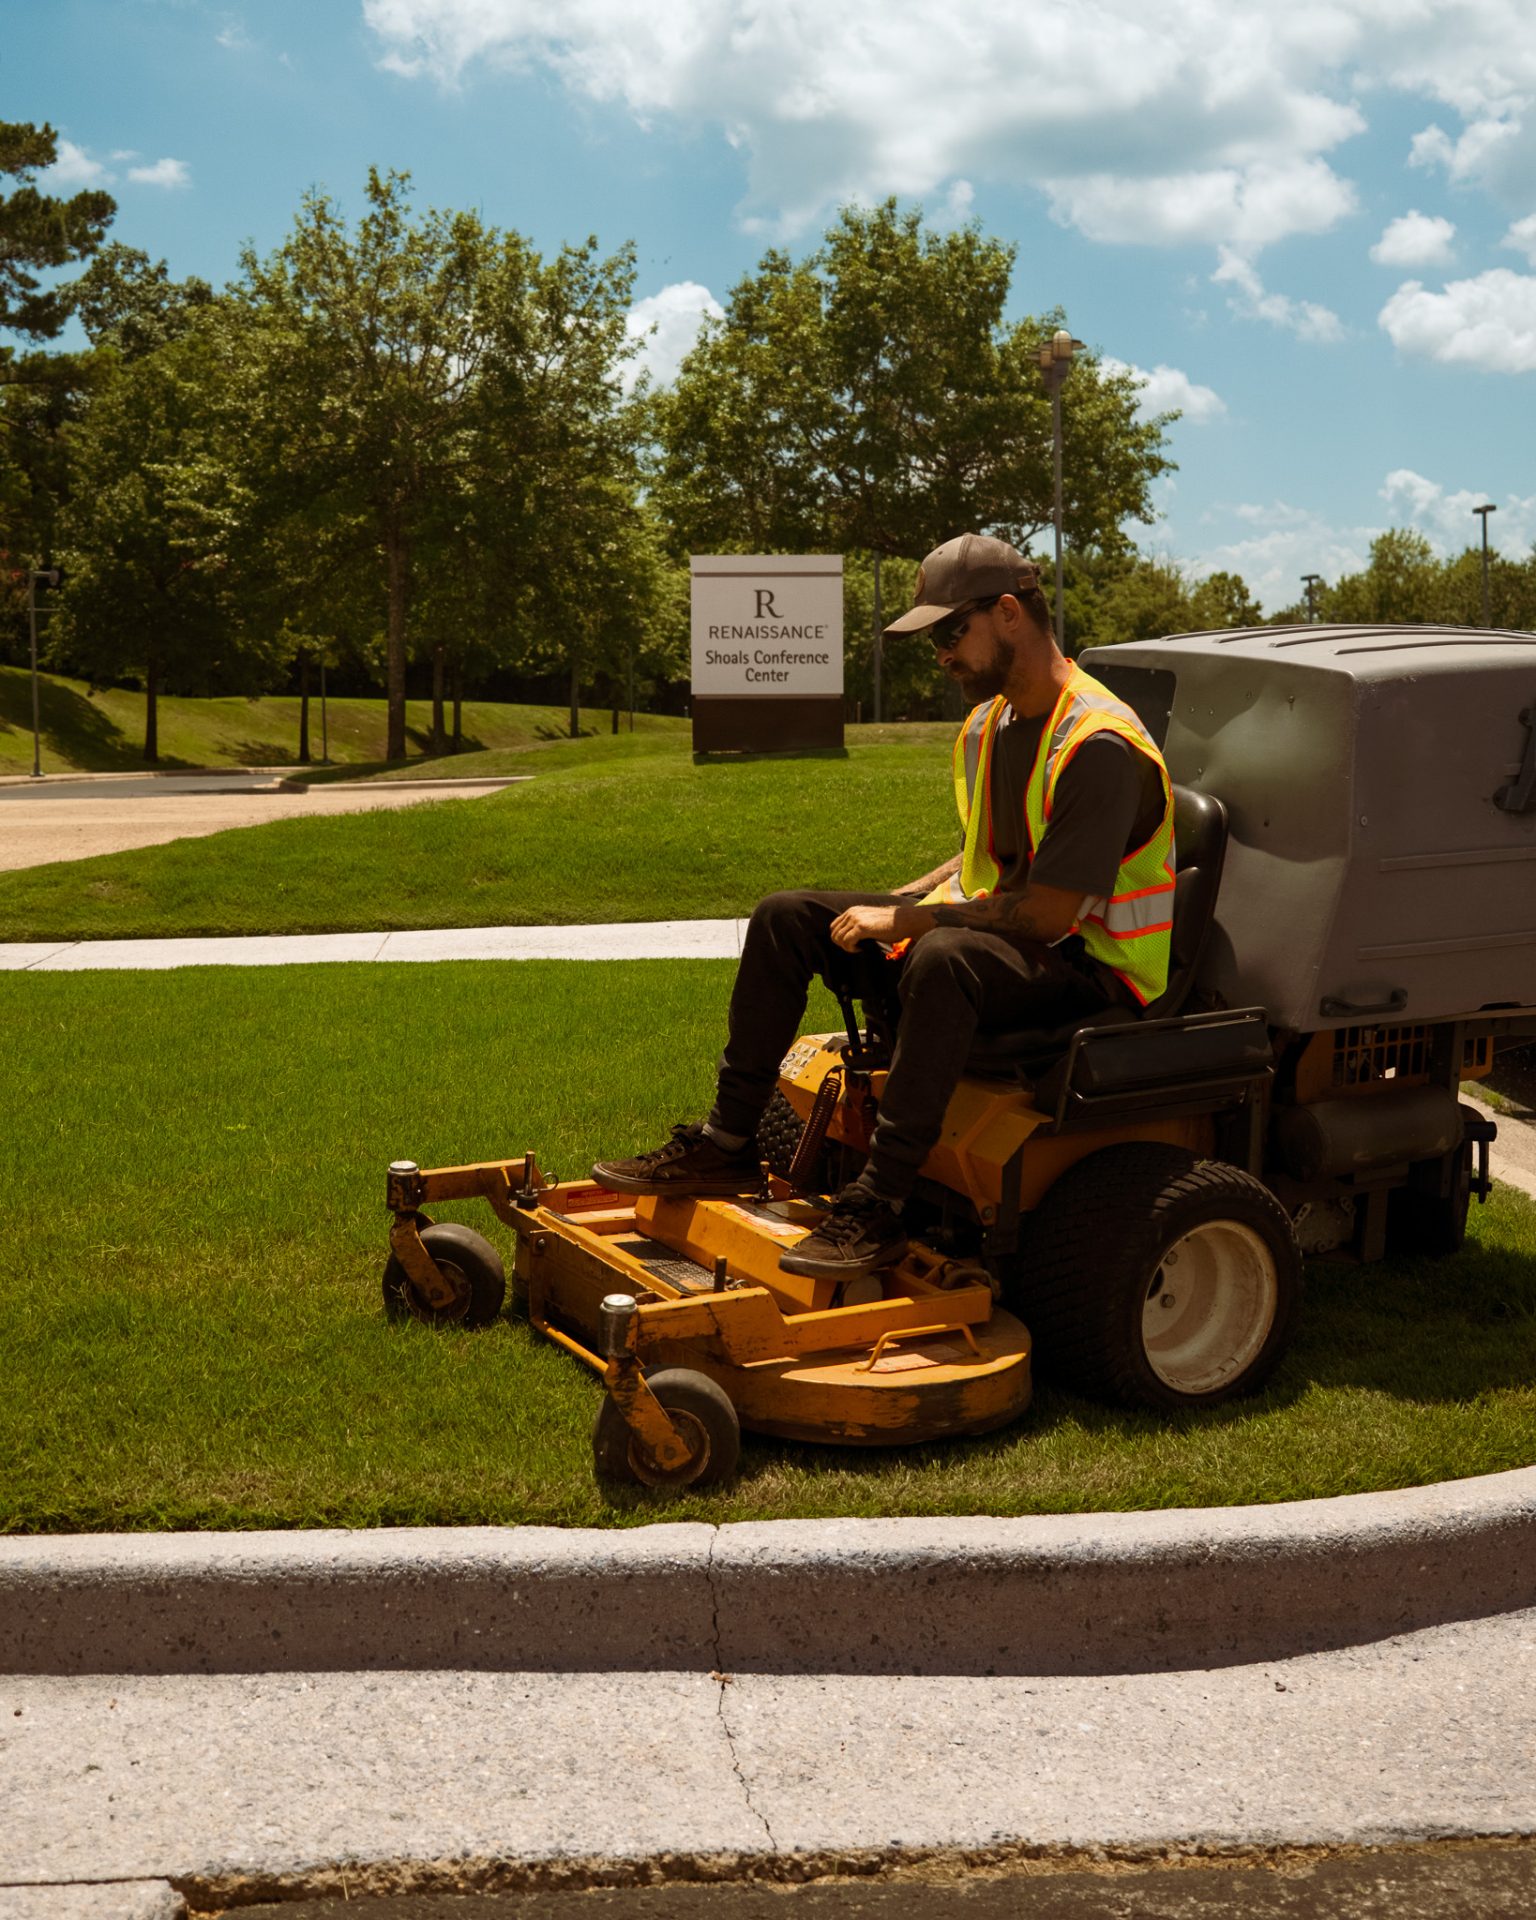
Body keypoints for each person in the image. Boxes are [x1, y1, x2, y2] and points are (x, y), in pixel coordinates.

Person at [594, 532, 1175, 1279]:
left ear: (1007, 613)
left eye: (949, 632)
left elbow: (1049, 916)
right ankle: (727, 1144)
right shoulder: (993, 724)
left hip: (1090, 975)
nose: (940, 654)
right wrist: (913, 896)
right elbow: (995, 861)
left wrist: (910, 921)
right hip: (1010, 950)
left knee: (940, 956)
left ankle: (879, 1206)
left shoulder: (1097, 742)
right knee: (787, 916)